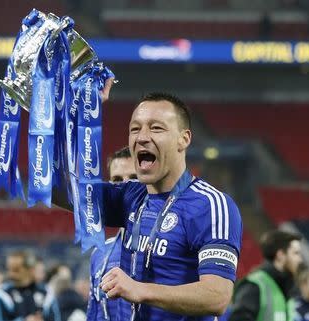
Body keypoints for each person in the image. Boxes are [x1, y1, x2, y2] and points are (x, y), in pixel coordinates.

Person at [56, 92, 243, 320]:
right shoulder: (131, 195)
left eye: (156, 128)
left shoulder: (210, 205)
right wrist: (74, 114)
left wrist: (140, 289)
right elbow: (57, 189)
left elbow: (217, 296)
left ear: (184, 139)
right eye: (135, 129)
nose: (142, 137)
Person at [87, 146, 136, 321]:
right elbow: (94, 314)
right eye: (117, 180)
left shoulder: (168, 246)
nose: (124, 186)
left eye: (134, 178)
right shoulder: (100, 252)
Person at [229, 229, 303, 321]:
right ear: (280, 255)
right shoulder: (255, 285)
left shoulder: (286, 289)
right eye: (296, 253)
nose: (300, 260)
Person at [0, 251, 61, 321]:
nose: (11, 274)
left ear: (30, 269)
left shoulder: (46, 292)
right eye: (9, 269)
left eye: (16, 270)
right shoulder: (1, 294)